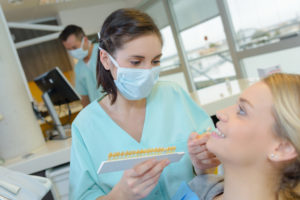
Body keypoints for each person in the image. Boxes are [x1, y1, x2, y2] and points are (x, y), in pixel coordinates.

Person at [69, 8, 220, 200]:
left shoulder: (174, 96)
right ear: (106, 59)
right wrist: (120, 195)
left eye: (155, 61)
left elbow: (214, 170)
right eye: (135, 62)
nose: (148, 72)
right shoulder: (85, 126)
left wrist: (205, 166)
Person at [184, 73, 300, 200]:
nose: (220, 113)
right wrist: (204, 172)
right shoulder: (198, 191)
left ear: (283, 148)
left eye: (242, 111)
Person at [59, 25, 103, 107]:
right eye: (69, 49)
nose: (72, 52)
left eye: (74, 47)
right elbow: (84, 97)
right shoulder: (78, 68)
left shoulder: (103, 53)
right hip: (99, 111)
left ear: (85, 40)